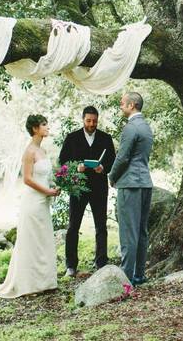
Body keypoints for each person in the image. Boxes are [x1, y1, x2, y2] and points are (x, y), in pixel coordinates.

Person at [0, 114, 60, 299]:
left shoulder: (43, 152)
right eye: (44, 124)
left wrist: (53, 187)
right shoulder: (29, 152)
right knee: (31, 241)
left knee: (43, 240)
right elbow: (27, 179)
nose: (47, 127)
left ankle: (45, 282)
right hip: (33, 202)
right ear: (35, 129)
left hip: (44, 203)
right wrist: (47, 192)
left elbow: (45, 176)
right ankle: (29, 283)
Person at [57, 105, 116, 276]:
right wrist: (77, 167)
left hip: (99, 187)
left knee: (101, 226)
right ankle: (71, 266)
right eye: (88, 121)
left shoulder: (106, 138)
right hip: (78, 188)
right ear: (83, 120)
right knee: (73, 226)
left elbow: (113, 159)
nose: (91, 124)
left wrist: (103, 167)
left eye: (94, 121)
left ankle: (101, 263)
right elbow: (63, 160)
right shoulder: (72, 138)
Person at [109, 92, 154, 286]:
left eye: (123, 103)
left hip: (130, 184)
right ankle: (139, 274)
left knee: (129, 232)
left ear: (132, 105)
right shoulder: (146, 128)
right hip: (145, 182)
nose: (121, 106)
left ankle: (126, 278)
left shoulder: (130, 127)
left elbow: (123, 157)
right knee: (142, 231)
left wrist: (112, 176)